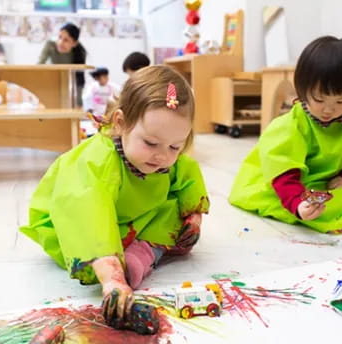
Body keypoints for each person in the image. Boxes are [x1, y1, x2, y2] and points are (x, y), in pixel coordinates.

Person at [20, 65, 209, 326]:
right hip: (75, 223)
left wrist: (194, 218)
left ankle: (141, 253)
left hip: (130, 220)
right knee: (90, 234)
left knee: (176, 210)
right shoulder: (97, 161)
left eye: (175, 146)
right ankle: (124, 260)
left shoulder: (165, 157)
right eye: (151, 143)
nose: (163, 156)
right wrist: (113, 279)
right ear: (121, 123)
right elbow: (86, 214)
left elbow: (187, 177)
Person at [229, 36, 342, 234]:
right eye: (319, 99)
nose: (329, 110)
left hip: (328, 184)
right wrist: (298, 204)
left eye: (341, 101)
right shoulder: (290, 126)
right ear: (302, 89)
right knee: (271, 200)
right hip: (288, 182)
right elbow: (283, 176)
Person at [38, 23, 87, 108]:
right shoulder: (50, 45)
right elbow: (39, 65)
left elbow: (79, 79)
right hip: (51, 81)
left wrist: (79, 103)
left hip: (67, 86)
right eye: (59, 37)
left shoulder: (80, 53)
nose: (60, 42)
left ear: (74, 43)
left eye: (66, 40)